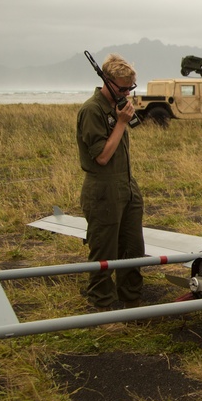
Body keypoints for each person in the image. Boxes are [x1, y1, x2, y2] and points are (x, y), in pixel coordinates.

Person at [76, 53, 145, 312]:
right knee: (104, 251)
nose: (127, 93)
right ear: (107, 81)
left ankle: (132, 302)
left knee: (133, 248)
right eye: (122, 88)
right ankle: (103, 307)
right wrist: (121, 123)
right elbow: (102, 157)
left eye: (131, 88)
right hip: (103, 188)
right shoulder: (92, 110)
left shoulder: (118, 105)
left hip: (126, 185)